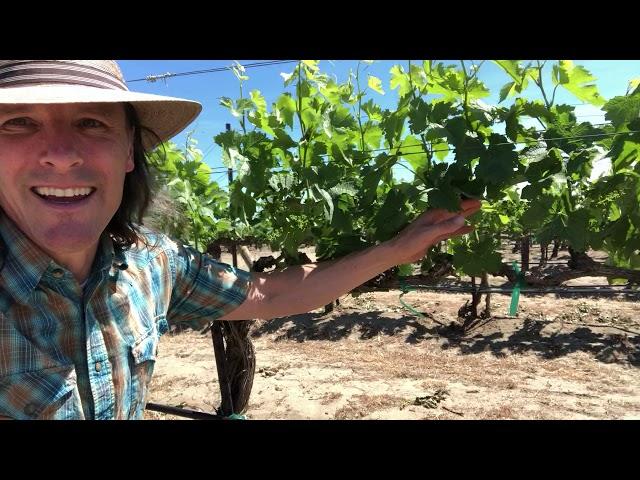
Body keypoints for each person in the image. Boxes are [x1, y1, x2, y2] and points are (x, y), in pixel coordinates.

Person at [0, 60, 480, 420]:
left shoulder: (151, 262)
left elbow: (268, 293)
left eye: (91, 123)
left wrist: (396, 250)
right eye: (18, 123)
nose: (60, 154)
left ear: (130, 150)